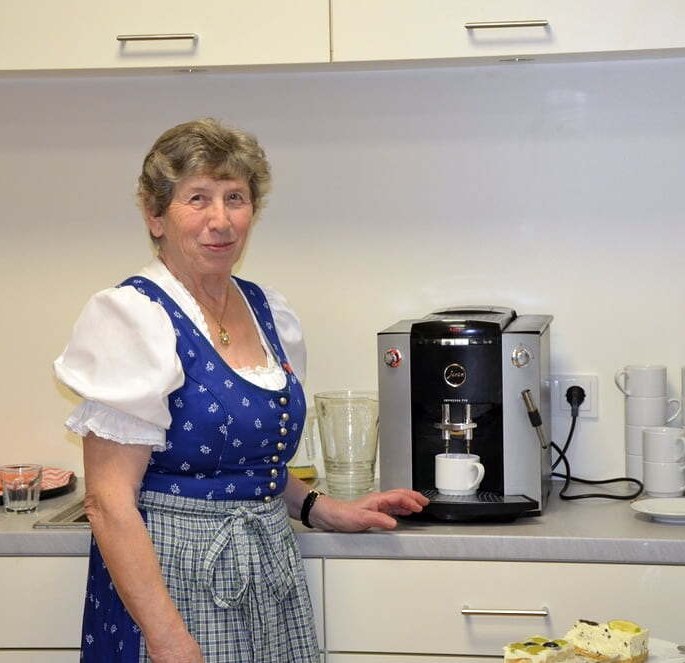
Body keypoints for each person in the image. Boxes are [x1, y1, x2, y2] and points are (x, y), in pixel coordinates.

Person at [53, 117, 429, 663]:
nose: (221, 220)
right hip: (172, 579)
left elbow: (250, 464)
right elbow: (108, 503)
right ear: (155, 215)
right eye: (197, 199)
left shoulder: (266, 308)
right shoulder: (131, 316)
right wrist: (167, 638)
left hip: (267, 567)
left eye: (235, 198)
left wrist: (322, 509)